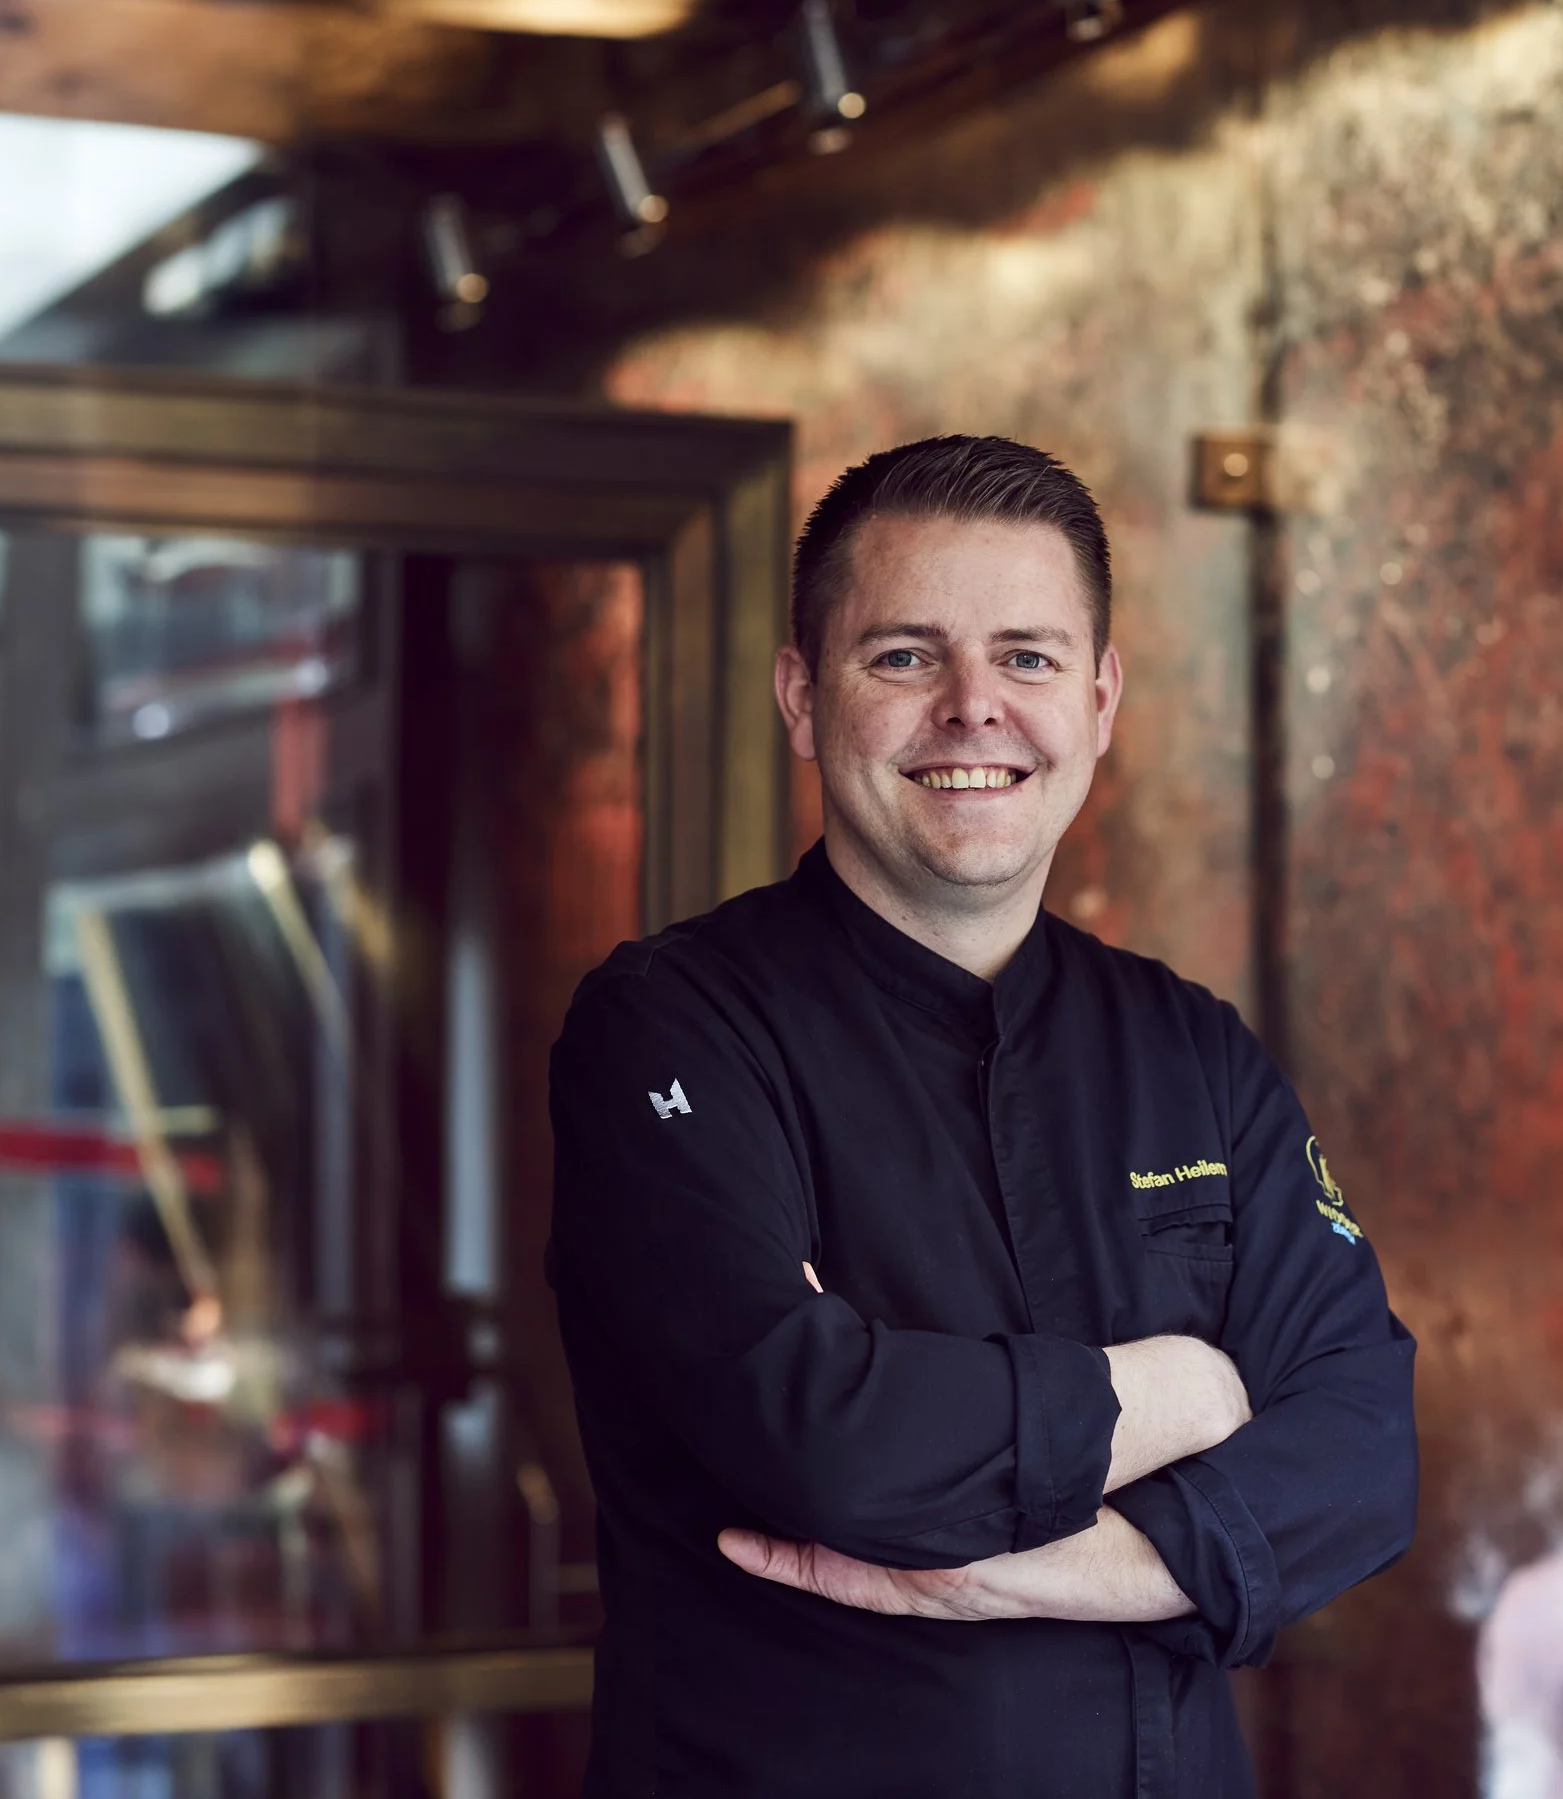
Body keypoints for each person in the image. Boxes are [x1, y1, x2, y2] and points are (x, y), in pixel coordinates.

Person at [547, 435, 1417, 1798]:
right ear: (801, 697)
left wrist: (1007, 1568)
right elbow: (826, 1436)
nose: (974, 708)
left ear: (1100, 699)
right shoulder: (669, 1030)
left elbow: (1361, 1448)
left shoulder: (1190, 1047)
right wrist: (1179, 1391)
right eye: (905, 657)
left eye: (1028, 657)